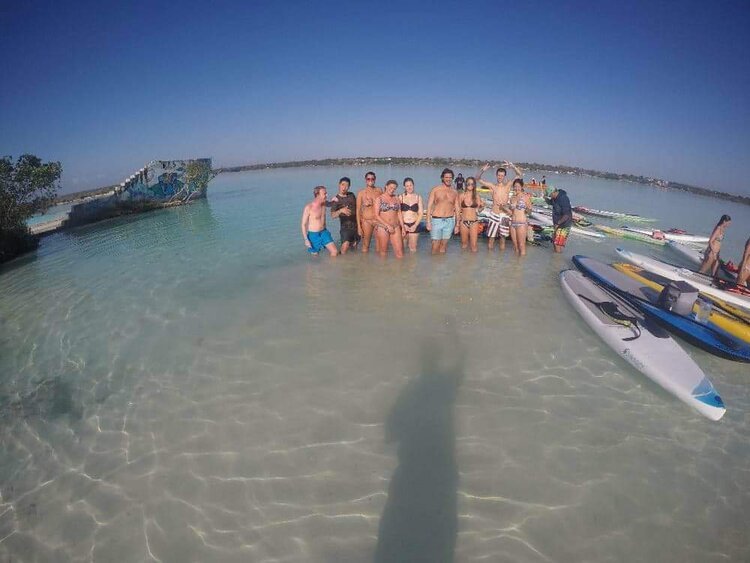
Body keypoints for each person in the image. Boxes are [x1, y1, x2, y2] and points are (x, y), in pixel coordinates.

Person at [476, 161, 523, 251]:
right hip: (494, 214)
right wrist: (482, 170)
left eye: (502, 175)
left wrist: (512, 166)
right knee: (491, 238)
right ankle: (490, 261)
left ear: (504, 176)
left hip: (504, 215)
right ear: (496, 175)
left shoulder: (508, 185)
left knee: (503, 239)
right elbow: (477, 179)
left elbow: (519, 175)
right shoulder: (492, 186)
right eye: (498, 175)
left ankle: (501, 262)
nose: (500, 177)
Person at [426, 169, 460, 254]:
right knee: (435, 246)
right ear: (442, 178)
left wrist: (457, 224)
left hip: (450, 220)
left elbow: (457, 209)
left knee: (443, 246)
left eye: (450, 177)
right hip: (437, 220)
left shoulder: (454, 192)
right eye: (446, 177)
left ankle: (441, 266)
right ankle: (434, 265)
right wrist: (428, 222)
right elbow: (429, 206)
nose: (448, 179)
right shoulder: (435, 190)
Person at [301, 186, 338, 256]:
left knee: (334, 252)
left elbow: (331, 204)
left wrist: (334, 200)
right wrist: (306, 239)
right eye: (324, 193)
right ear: (318, 195)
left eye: (326, 193)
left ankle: (331, 266)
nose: (327, 195)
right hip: (313, 235)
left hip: (324, 232)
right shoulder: (309, 207)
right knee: (315, 257)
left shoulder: (324, 204)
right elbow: (303, 224)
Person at [373, 180, 405, 258]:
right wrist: (387, 225)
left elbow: (399, 213)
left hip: (395, 226)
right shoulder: (379, 199)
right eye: (391, 187)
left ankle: (400, 269)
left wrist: (403, 227)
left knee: (400, 253)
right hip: (383, 227)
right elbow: (376, 215)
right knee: (383, 252)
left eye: (394, 188)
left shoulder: (397, 198)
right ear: (386, 186)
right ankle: (383, 269)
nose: (392, 189)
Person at [329, 176, 359, 254]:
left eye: (347, 185)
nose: (344, 187)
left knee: (354, 247)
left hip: (356, 226)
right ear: (339, 185)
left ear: (349, 187)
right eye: (343, 184)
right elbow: (332, 215)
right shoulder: (336, 199)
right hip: (345, 227)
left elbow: (357, 207)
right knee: (345, 247)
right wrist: (340, 210)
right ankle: (338, 262)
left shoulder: (351, 195)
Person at [356, 171, 383, 253]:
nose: (370, 180)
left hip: (378, 221)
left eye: (372, 178)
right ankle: (364, 264)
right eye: (368, 179)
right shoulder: (361, 193)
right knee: (365, 246)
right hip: (366, 221)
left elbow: (385, 203)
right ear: (365, 180)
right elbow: (358, 210)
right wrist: (359, 227)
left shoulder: (379, 190)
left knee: (379, 246)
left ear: (375, 179)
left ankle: (380, 265)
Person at [505, 178, 532, 256]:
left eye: (518, 186)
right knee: (515, 247)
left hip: (522, 223)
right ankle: (515, 266)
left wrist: (527, 210)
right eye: (515, 186)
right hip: (513, 224)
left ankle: (521, 265)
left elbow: (530, 211)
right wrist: (504, 208)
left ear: (522, 187)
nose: (516, 188)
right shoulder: (512, 198)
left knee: (521, 246)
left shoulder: (525, 197)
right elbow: (511, 212)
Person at [458, 177, 484, 252]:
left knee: (474, 246)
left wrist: (482, 207)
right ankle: (464, 262)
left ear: (474, 185)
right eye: (468, 183)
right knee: (464, 245)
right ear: (466, 184)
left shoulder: (476, 196)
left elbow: (479, 209)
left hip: (474, 222)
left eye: (472, 184)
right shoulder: (461, 195)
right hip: (463, 222)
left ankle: (473, 263)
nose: (470, 185)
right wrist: (457, 222)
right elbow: (458, 209)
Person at [400, 177, 424, 253]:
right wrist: (403, 225)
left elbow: (420, 213)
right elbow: (398, 213)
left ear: (413, 185)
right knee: (402, 248)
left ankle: (412, 264)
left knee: (413, 248)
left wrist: (415, 225)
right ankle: (402, 264)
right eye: (407, 186)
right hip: (403, 225)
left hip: (414, 224)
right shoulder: (401, 197)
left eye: (410, 185)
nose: (409, 187)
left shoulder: (418, 197)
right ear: (404, 187)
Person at [547, 186, 572, 253]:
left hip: (564, 225)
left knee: (557, 244)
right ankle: (555, 260)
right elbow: (551, 202)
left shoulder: (563, 198)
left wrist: (558, 223)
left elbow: (566, 215)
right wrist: (545, 198)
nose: (550, 197)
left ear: (554, 192)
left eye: (550, 195)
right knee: (554, 241)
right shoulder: (554, 198)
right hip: (557, 224)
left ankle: (557, 261)